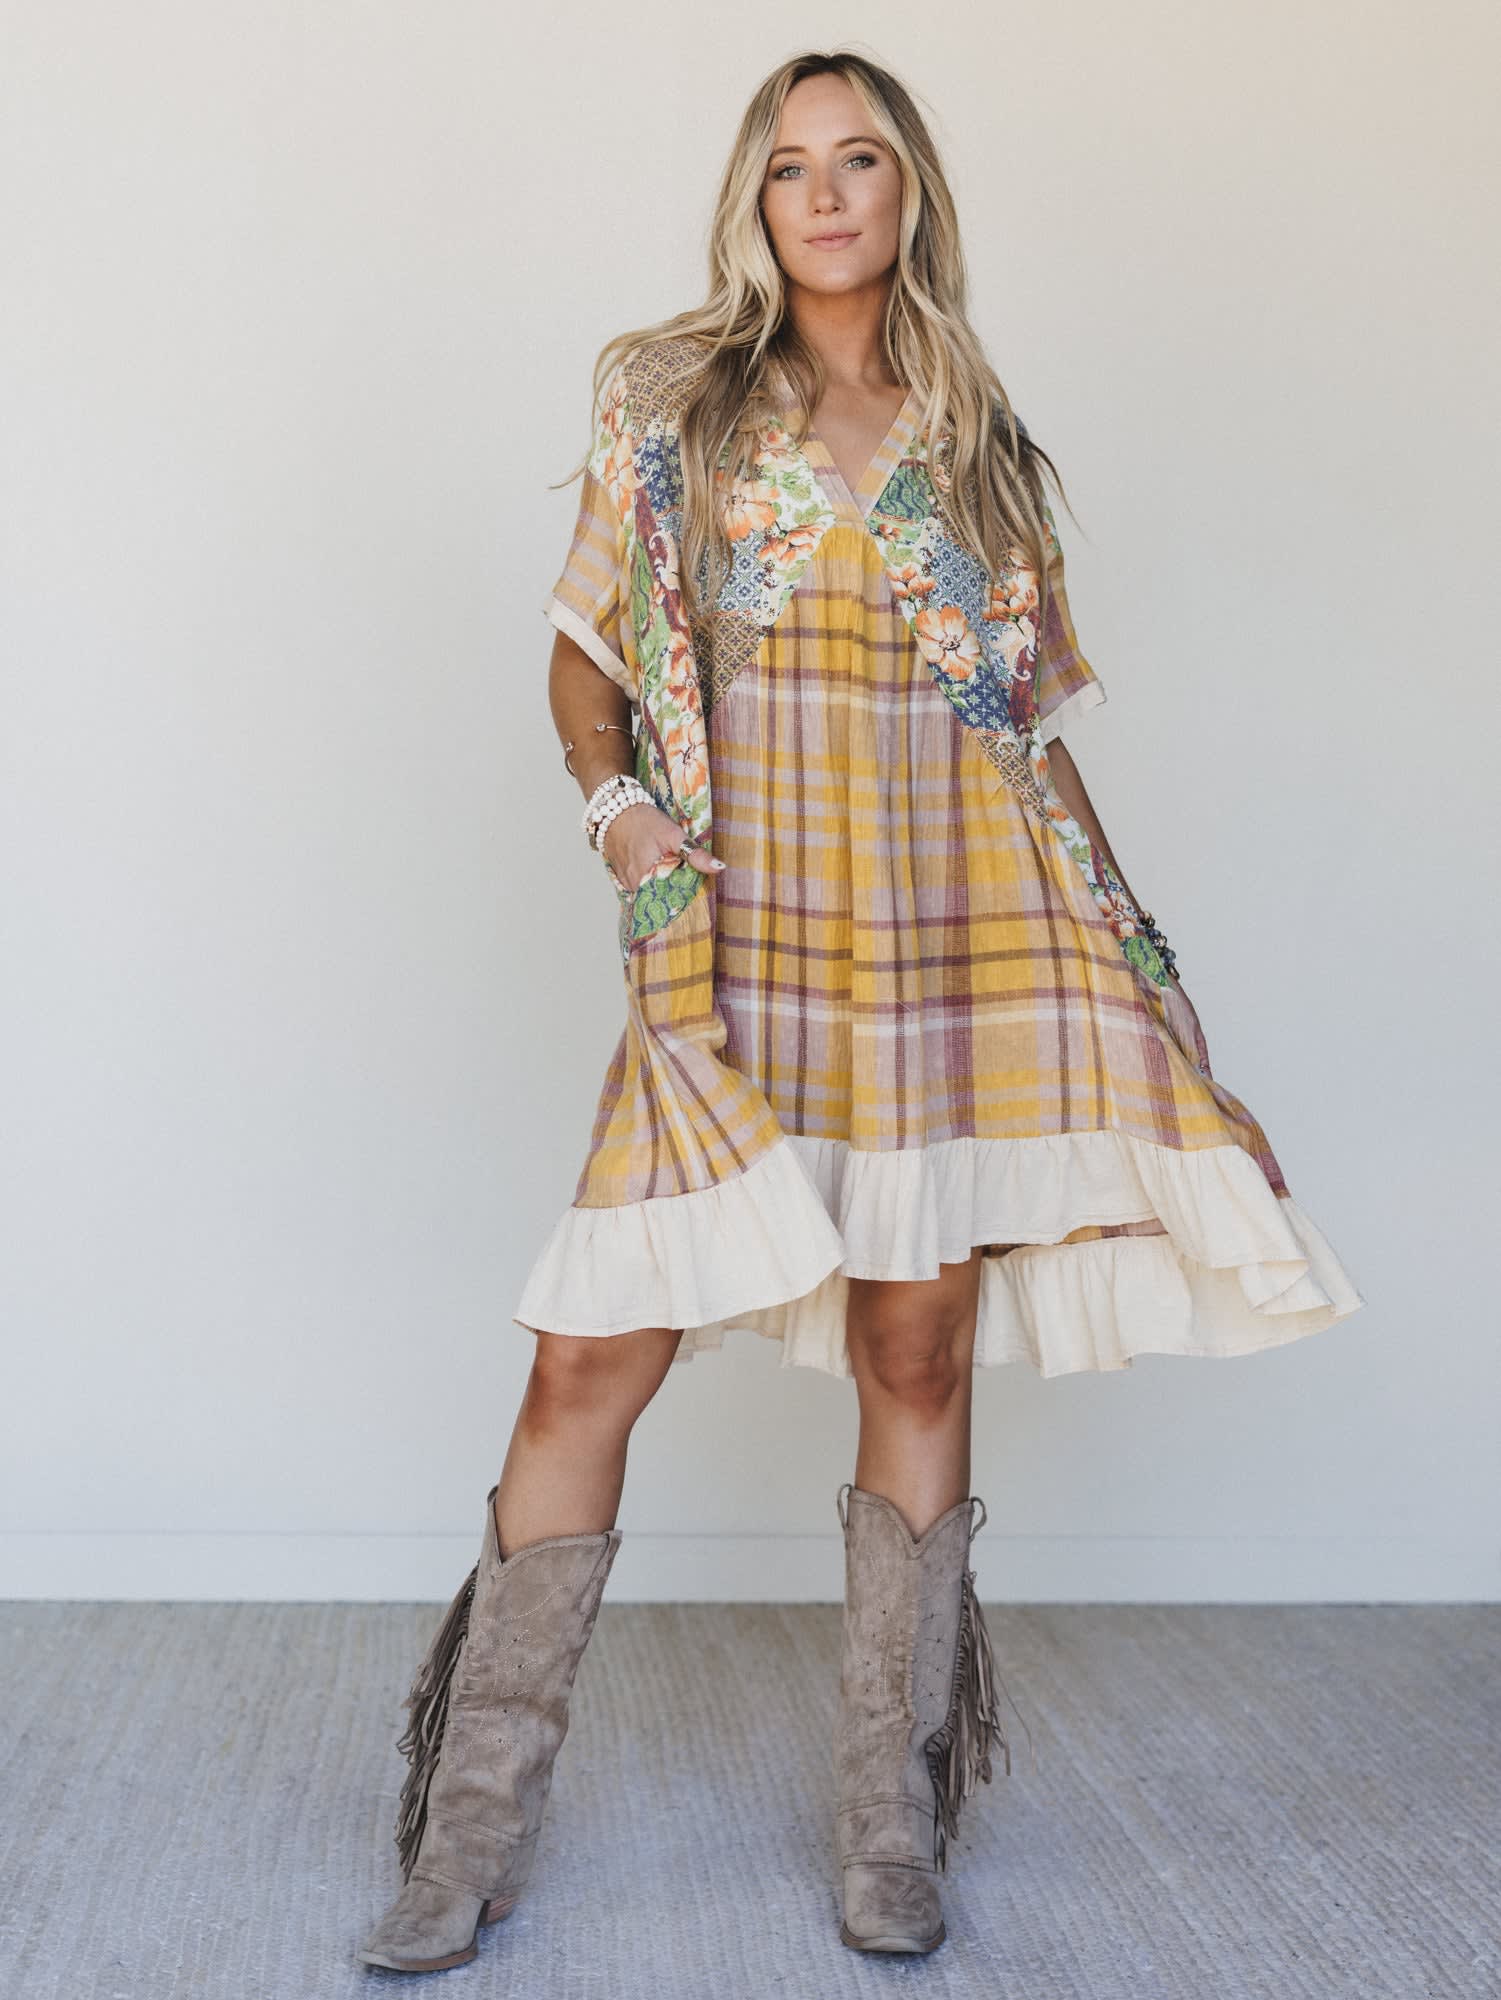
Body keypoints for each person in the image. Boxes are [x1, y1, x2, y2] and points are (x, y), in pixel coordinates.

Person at [358, 48, 1365, 1975]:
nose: (824, 195)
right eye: (790, 166)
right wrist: (618, 812)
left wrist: (1150, 972)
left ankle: (889, 1821)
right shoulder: (670, 404)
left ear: (910, 193)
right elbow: (581, 665)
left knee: (917, 1354)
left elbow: (1030, 748)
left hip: (957, 944)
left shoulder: (977, 447)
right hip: (734, 941)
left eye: (860, 160)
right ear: (754, 202)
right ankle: (466, 1832)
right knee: (587, 1361)